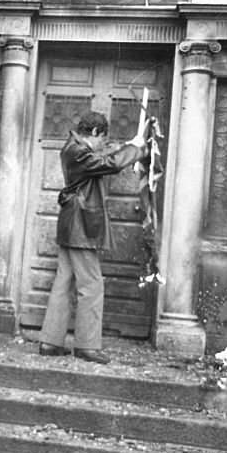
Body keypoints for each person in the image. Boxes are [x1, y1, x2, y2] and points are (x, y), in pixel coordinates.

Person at [38, 111, 147, 364]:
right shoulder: (78, 152)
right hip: (81, 227)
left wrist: (129, 144)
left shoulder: (75, 147)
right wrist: (136, 150)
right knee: (92, 285)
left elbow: (103, 153)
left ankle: (50, 342)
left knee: (63, 282)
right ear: (95, 133)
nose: (103, 143)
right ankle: (87, 346)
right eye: (102, 138)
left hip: (72, 223)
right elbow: (109, 164)